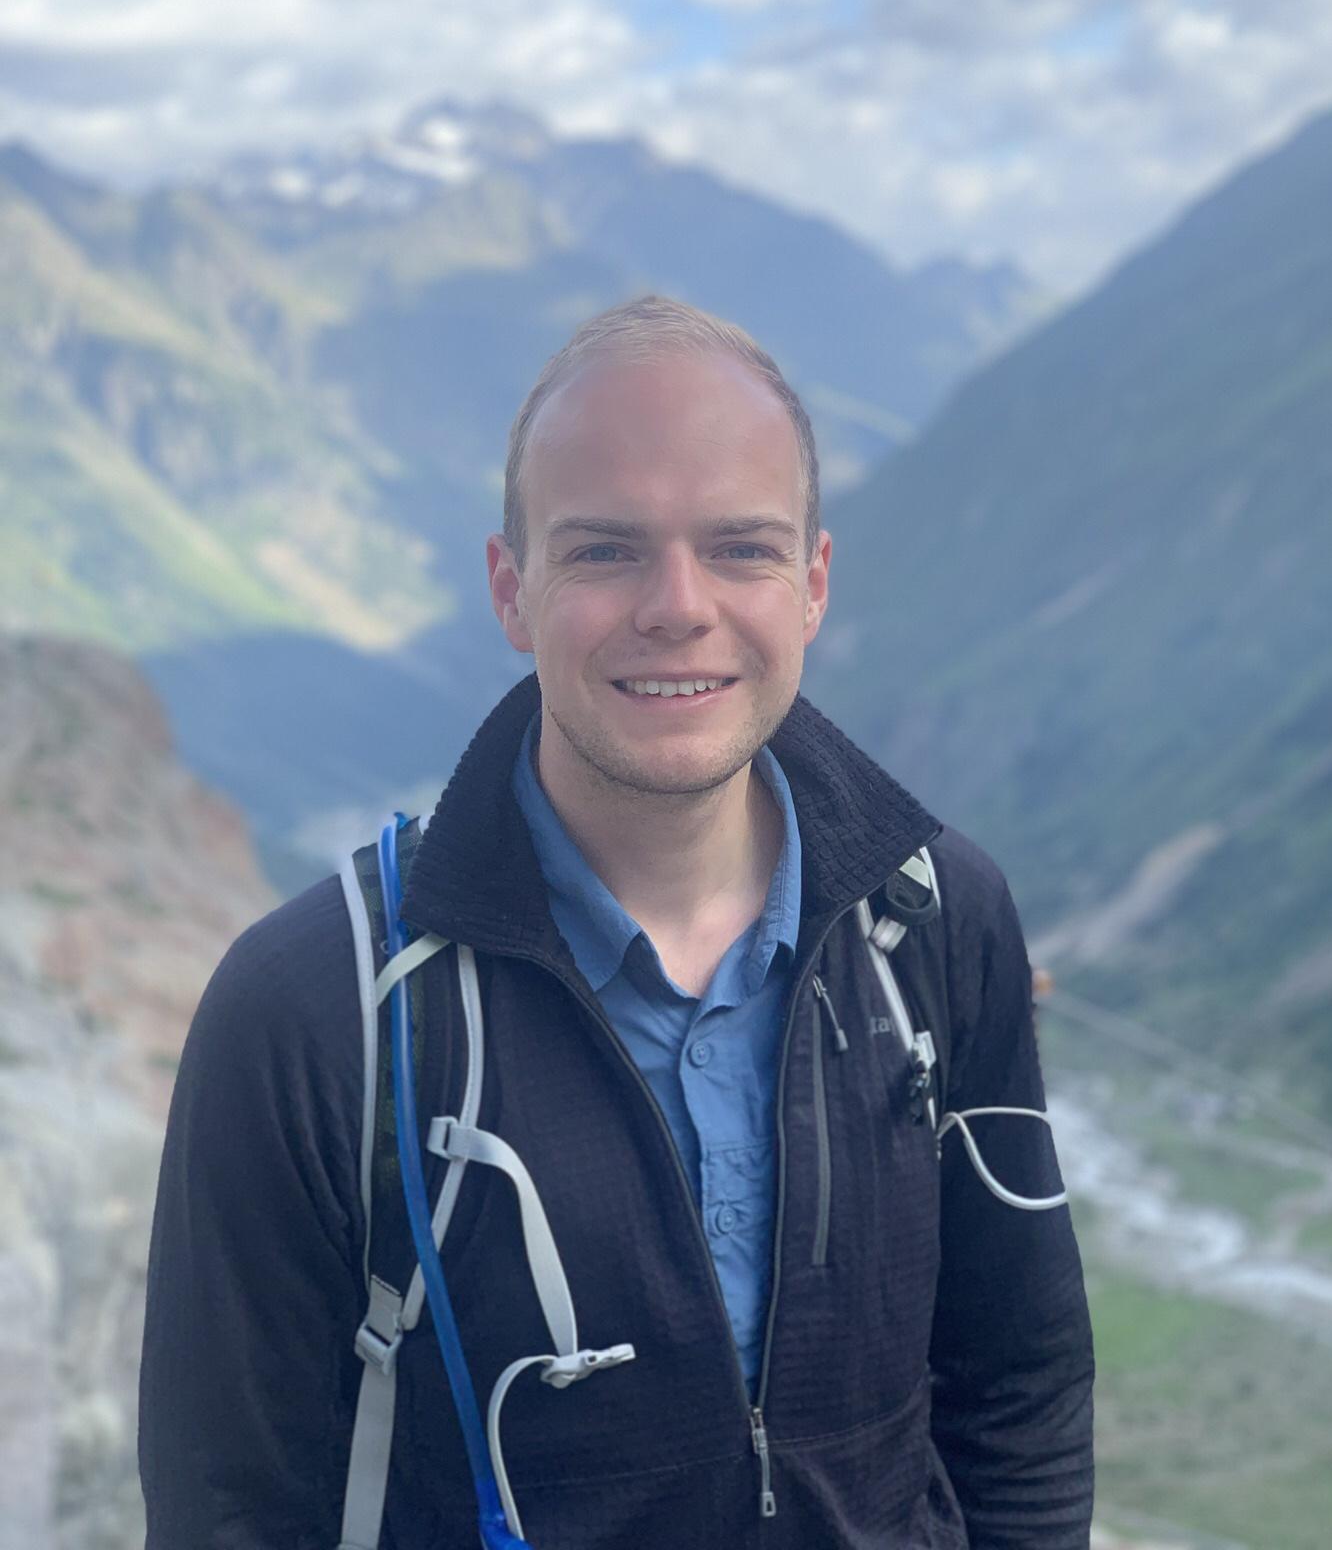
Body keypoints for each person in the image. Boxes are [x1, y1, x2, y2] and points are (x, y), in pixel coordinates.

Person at [139, 293, 1095, 1548]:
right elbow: (229, 1510)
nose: (678, 604)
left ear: (812, 583)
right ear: (511, 589)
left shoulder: (934, 921)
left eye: (741, 547)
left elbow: (1019, 1392)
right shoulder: (317, 1008)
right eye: (604, 551)